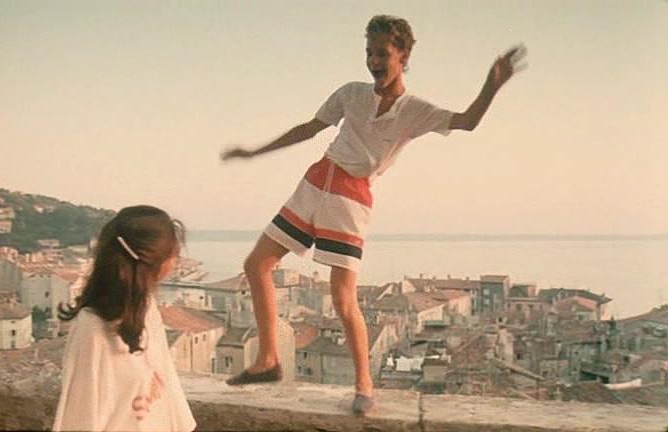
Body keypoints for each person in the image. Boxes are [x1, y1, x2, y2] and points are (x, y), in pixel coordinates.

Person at [221, 15, 527, 416]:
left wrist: (493, 84)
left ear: (403, 56)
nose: (373, 61)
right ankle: (268, 360)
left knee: (342, 298)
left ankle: (365, 386)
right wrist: (253, 152)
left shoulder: (413, 110)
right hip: (314, 182)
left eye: (382, 53)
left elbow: (467, 122)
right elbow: (308, 128)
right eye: (369, 53)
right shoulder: (351, 93)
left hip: (350, 199)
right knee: (256, 264)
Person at [53, 205, 197, 431]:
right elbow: (80, 417)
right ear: (152, 261)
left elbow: (168, 383)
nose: (176, 261)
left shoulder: (147, 308)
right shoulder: (92, 328)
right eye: (173, 254)